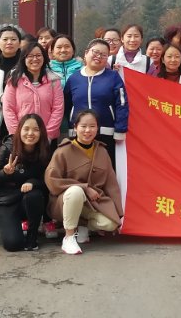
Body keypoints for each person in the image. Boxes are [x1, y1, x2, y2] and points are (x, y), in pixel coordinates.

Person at [45, 109, 123, 255]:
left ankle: (82, 225)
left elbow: (111, 184)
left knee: (110, 223)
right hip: (64, 201)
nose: (88, 130)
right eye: (83, 126)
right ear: (75, 127)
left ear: (97, 128)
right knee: (76, 191)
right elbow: (52, 180)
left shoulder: (102, 151)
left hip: (92, 203)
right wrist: (84, 187)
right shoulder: (63, 151)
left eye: (92, 126)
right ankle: (69, 237)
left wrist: (119, 214)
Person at [0, 113, 51, 252]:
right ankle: (17, 228)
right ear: (19, 130)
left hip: (29, 199)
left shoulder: (45, 149)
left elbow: (49, 180)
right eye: (26, 129)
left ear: (41, 132)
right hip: (7, 200)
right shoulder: (7, 148)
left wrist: (33, 183)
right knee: (13, 244)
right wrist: (4, 173)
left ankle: (32, 236)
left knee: (34, 195)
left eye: (35, 130)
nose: (30, 133)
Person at [63, 38, 129, 167]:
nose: (99, 56)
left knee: (104, 168)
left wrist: (120, 129)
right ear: (86, 53)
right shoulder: (74, 78)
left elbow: (122, 103)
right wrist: (71, 124)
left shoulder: (113, 77)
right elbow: (66, 104)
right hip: (79, 134)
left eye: (104, 55)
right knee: (79, 168)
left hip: (106, 133)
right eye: (96, 52)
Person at [2, 40, 64, 142]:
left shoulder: (54, 80)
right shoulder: (14, 80)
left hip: (47, 138)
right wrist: (17, 134)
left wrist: (48, 135)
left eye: (38, 55)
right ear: (24, 59)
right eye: (30, 56)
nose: (35, 59)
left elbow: (58, 109)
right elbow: (8, 109)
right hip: (21, 138)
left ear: (44, 57)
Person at [48, 34, 83, 138]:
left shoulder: (83, 68)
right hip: (53, 114)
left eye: (67, 46)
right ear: (52, 51)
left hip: (78, 112)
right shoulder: (46, 69)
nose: (63, 50)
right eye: (59, 47)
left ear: (73, 50)